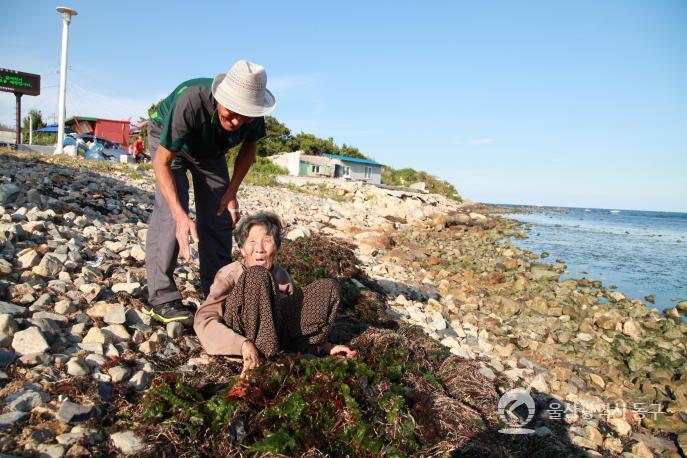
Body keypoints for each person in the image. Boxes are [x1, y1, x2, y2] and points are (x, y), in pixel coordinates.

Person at [145, 59, 275, 323]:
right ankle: (162, 298)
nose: (238, 121)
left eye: (245, 115)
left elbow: (249, 148)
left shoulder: (252, 113)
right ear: (219, 99)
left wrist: (231, 191)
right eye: (231, 113)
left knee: (219, 216)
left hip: (210, 150)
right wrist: (181, 216)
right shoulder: (190, 101)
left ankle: (217, 294)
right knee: (172, 215)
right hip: (169, 143)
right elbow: (162, 162)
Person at [194, 212, 356, 375]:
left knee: (328, 287)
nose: (259, 249)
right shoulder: (230, 274)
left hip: (275, 337)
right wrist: (241, 344)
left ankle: (284, 352)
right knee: (257, 275)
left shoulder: (281, 275)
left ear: (277, 248)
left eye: (267, 241)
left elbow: (294, 320)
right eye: (252, 242)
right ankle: (261, 356)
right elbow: (204, 320)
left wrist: (326, 346)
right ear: (242, 249)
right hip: (241, 334)